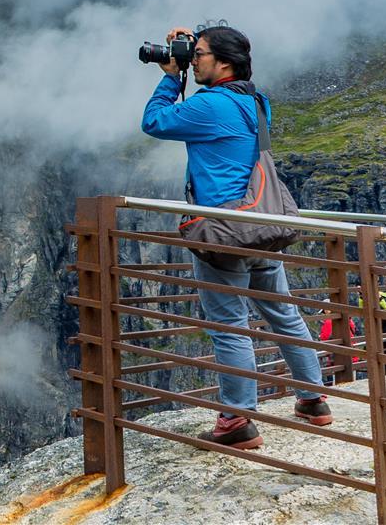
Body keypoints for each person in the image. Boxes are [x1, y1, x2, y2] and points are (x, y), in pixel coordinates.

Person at [141, 24, 332, 449]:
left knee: (229, 325)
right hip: (261, 225)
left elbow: (153, 121)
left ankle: (237, 421)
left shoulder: (210, 105)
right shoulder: (255, 101)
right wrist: (193, 52)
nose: (195, 60)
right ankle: (313, 399)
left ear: (223, 62)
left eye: (201, 54)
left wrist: (172, 78)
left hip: (224, 231)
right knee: (283, 316)